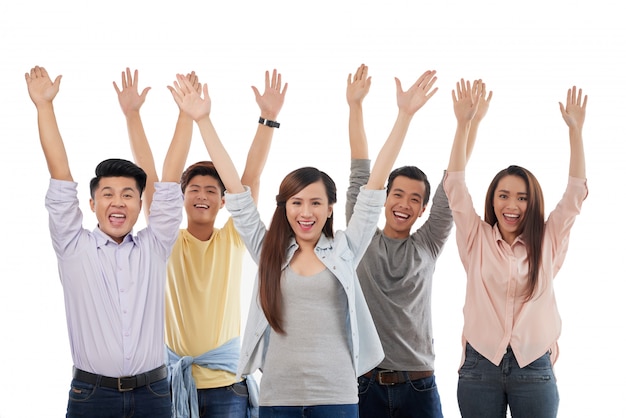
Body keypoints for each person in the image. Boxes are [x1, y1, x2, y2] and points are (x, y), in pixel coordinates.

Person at [167, 68, 436, 417]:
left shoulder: (344, 250)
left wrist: (404, 116)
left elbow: (374, 186)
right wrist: (203, 120)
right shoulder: (269, 251)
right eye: (296, 202)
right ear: (285, 207)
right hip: (278, 397)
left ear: (329, 210)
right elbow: (236, 191)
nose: (305, 212)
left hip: (337, 396)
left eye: (315, 203)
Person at [114, 67, 287, 417]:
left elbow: (250, 177)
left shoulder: (233, 238)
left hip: (227, 386)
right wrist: (133, 116)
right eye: (194, 189)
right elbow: (147, 178)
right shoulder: (166, 240)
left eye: (212, 190)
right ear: (182, 197)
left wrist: (267, 119)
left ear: (224, 201)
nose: (203, 196)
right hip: (173, 383)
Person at [26, 65, 183, 418]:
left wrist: (186, 116)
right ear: (93, 204)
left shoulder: (154, 247)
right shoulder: (72, 247)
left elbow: (170, 184)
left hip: (154, 393)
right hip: (92, 395)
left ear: (140, 205)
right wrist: (44, 107)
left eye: (128, 194)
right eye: (108, 194)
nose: (118, 202)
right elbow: (60, 176)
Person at [346, 66, 489, 417]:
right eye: (397, 194)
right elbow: (361, 169)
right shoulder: (358, 237)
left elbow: (453, 181)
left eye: (414, 199)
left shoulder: (428, 243)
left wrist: (467, 124)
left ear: (424, 208)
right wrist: (355, 106)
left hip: (419, 385)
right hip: (364, 384)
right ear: (383, 198)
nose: (404, 204)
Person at [444, 80, 588, 418]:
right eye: (504, 195)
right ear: (493, 200)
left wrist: (576, 132)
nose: (512, 205)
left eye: (522, 197)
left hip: (534, 366)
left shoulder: (548, 240)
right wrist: (464, 124)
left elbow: (574, 196)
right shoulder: (475, 238)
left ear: (532, 202)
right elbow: (455, 185)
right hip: (480, 366)